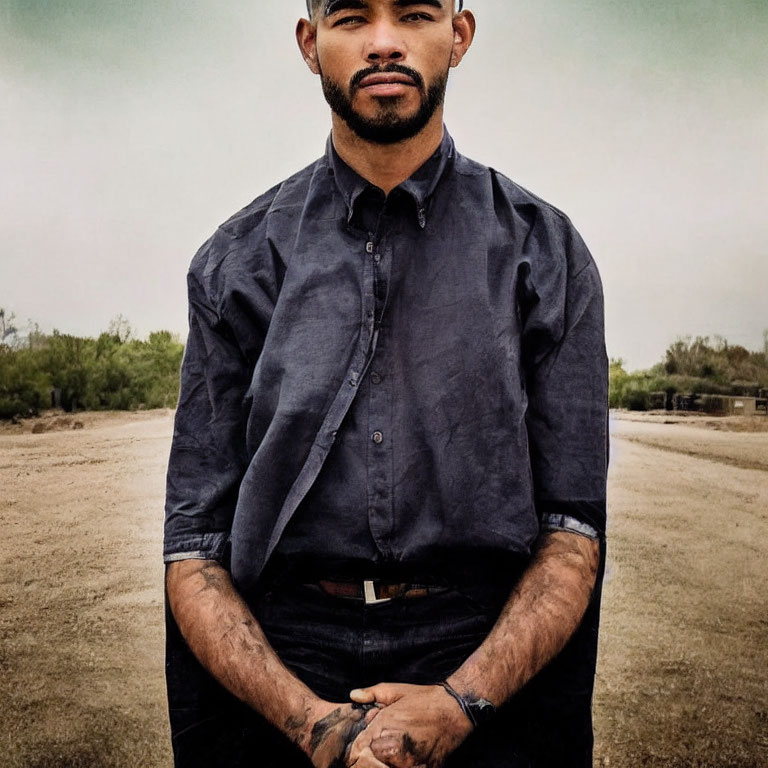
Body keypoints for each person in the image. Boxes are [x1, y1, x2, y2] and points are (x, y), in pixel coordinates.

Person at [163, 1, 609, 767]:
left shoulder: (545, 253)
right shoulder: (234, 262)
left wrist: (463, 701)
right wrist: (309, 722)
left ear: (458, 36)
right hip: (284, 641)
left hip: (481, 634)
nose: (382, 42)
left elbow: (571, 530)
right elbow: (194, 545)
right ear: (310, 43)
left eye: (413, 12)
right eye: (348, 17)